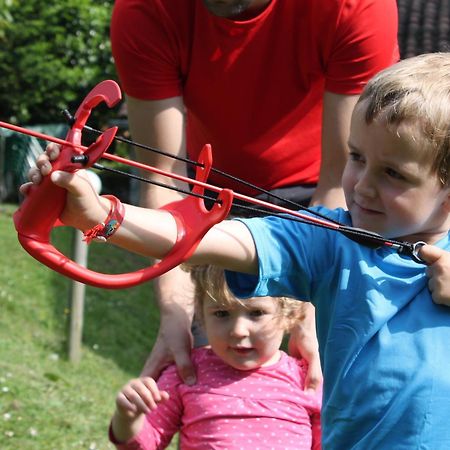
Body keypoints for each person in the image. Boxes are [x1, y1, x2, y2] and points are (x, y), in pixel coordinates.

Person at [23, 52, 450, 448]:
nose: (362, 185)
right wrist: (98, 214)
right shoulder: (330, 241)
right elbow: (204, 238)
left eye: (394, 172)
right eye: (357, 157)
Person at [109, 0, 400, 387]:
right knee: (207, 383)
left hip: (324, 201)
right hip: (209, 205)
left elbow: (340, 182)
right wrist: (176, 313)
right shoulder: (146, 10)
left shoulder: (353, 5)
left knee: (330, 377)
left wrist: (310, 310)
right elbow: (166, 180)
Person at [108, 265, 322, 449]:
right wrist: (128, 418)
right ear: (201, 316)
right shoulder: (188, 373)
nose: (238, 330)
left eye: (256, 313)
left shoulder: (308, 380)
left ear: (289, 315)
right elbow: (145, 443)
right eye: (221, 313)